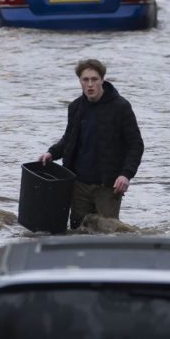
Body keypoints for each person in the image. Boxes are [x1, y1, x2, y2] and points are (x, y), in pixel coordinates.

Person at [39, 58, 143, 229]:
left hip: (108, 187)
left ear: (102, 79)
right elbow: (69, 140)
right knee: (77, 233)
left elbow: (136, 145)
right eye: (85, 80)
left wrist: (126, 174)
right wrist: (51, 153)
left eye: (94, 79)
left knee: (107, 236)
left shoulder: (120, 107)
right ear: (79, 81)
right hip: (78, 184)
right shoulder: (75, 107)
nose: (90, 84)